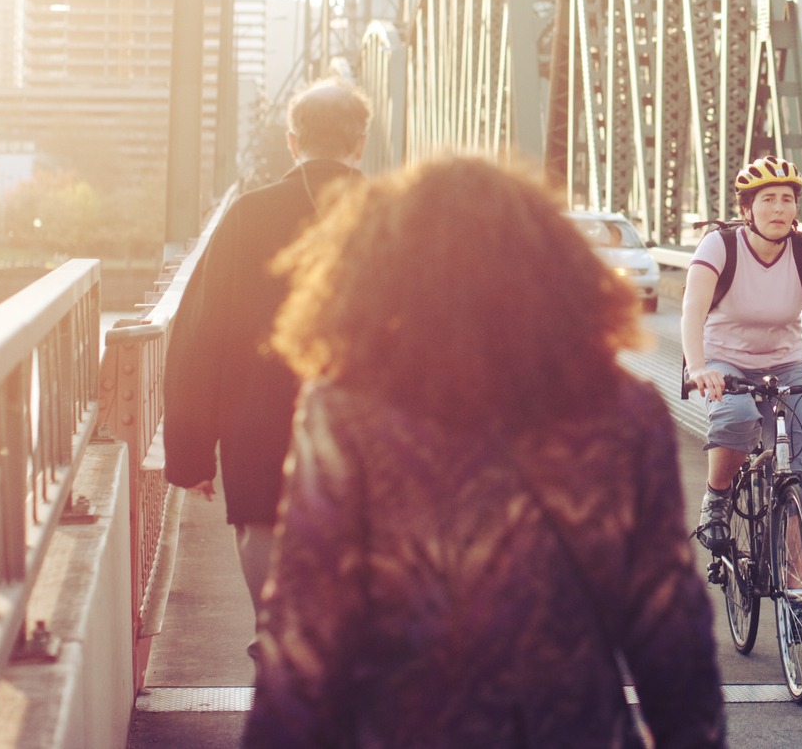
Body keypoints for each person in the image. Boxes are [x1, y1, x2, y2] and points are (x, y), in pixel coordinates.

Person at [242, 155, 724, 749]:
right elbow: (669, 628)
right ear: (552, 272)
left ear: (386, 273)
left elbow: (303, 633)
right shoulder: (624, 413)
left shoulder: (349, 411)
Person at [163, 79, 370, 622]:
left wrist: (191, 452)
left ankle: (277, 659)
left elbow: (203, 333)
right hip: (371, 433)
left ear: (293, 140)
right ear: (361, 142)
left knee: (265, 564)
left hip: (260, 425)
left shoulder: (247, 216)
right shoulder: (400, 215)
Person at [685, 155, 802, 551]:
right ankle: (716, 497)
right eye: (768, 199)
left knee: (798, 474)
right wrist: (699, 368)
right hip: (725, 363)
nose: (779, 208)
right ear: (746, 209)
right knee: (738, 416)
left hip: (785, 365)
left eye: (787, 198)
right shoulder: (719, 245)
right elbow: (693, 310)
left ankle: (797, 595)